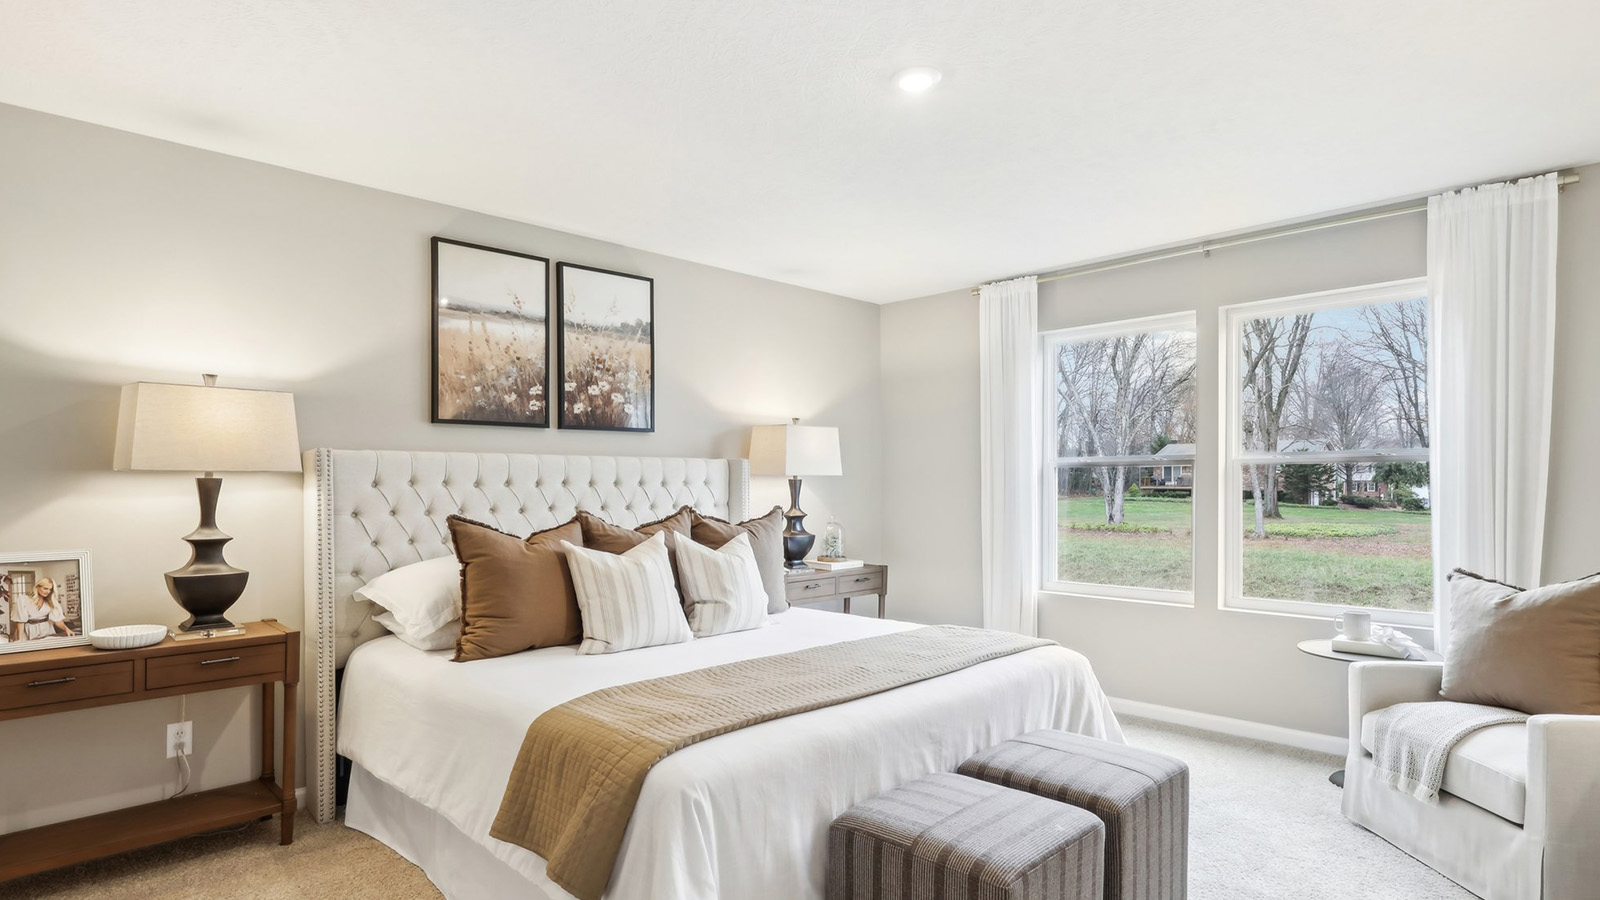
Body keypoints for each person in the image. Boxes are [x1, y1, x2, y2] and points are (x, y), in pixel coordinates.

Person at [11, 576, 73, 641]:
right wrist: (19, 638)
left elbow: (57, 620)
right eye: (45, 588)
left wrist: (67, 629)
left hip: (46, 630)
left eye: (50, 589)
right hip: (28, 631)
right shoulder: (23, 600)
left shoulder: (51, 601)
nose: (48, 591)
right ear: (37, 587)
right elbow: (20, 621)